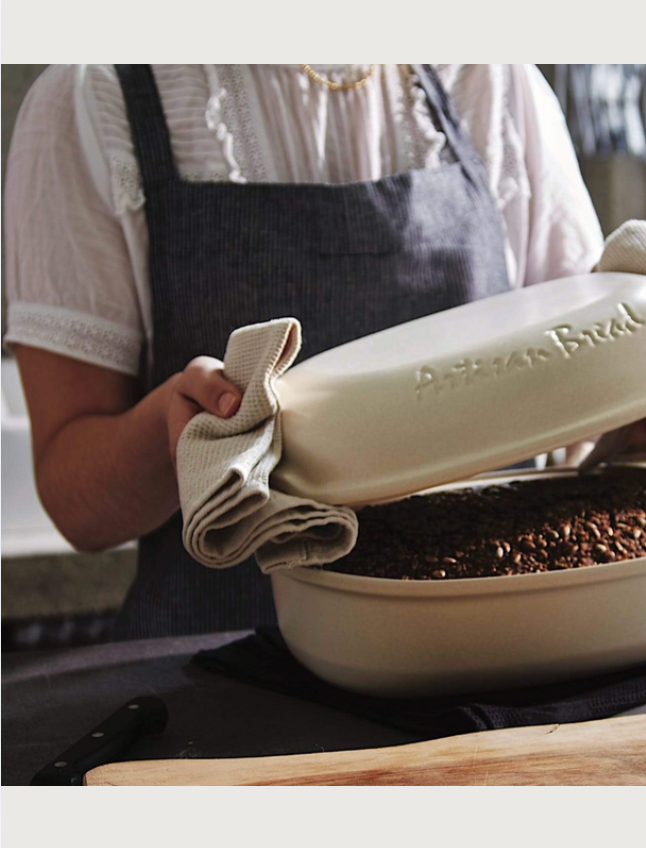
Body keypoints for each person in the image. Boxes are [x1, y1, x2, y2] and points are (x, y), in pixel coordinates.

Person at [4, 65, 604, 639]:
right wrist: (178, 433)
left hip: (505, 640)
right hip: (229, 670)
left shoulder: (491, 78)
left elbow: (595, 381)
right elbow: (75, 503)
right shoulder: (94, 98)